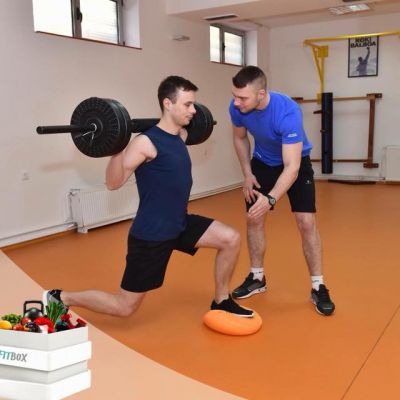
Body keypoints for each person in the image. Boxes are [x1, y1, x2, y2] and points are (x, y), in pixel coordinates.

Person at [43, 76, 254, 320]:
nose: (194, 110)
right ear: (168, 104)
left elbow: (198, 128)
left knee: (230, 239)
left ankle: (221, 300)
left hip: (179, 223)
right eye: (187, 104)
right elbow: (113, 183)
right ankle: (61, 297)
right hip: (152, 234)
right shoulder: (145, 143)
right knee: (124, 307)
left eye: (193, 104)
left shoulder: (181, 136)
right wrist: (115, 147)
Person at [229, 66, 335, 316]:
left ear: (261, 94)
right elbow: (240, 138)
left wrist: (271, 198)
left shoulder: (287, 111)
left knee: (306, 222)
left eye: (242, 98)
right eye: (234, 96)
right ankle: (257, 277)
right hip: (262, 162)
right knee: (254, 217)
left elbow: (292, 167)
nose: (236, 102)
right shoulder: (237, 108)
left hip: (295, 163)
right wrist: (247, 173)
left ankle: (318, 285)